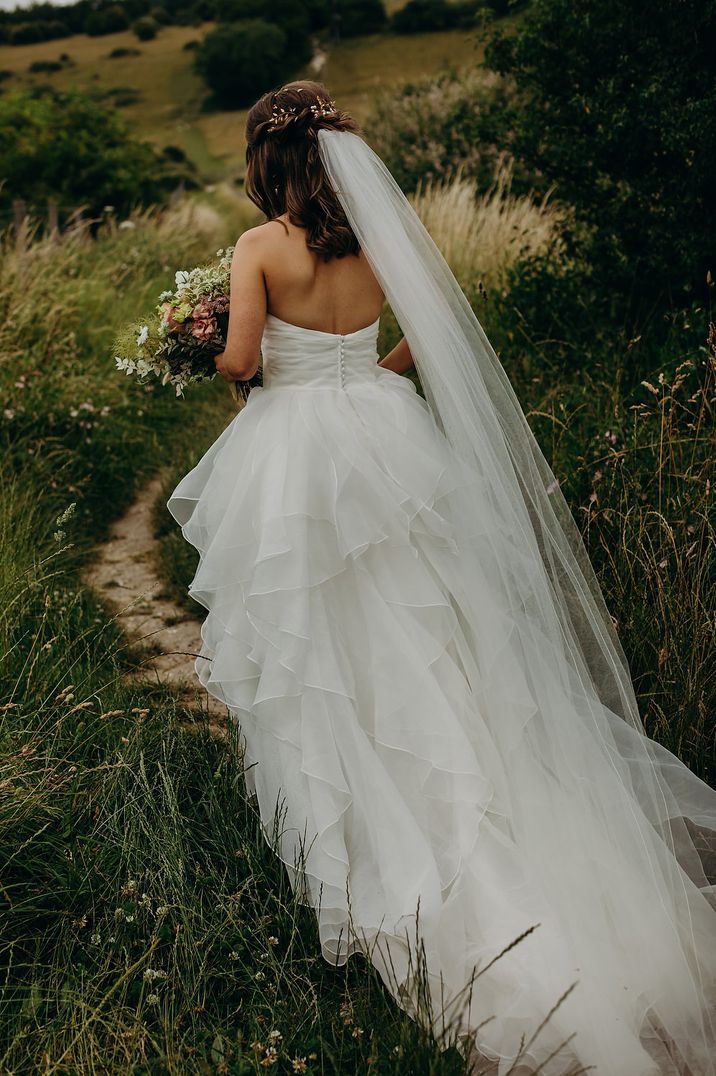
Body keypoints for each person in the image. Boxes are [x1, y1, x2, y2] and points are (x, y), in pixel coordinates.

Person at [167, 81, 716, 1075]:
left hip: (295, 456)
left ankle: (382, 834)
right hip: (386, 441)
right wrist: (367, 372)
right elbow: (439, 333)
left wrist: (212, 345)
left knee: (329, 646)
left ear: (264, 163)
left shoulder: (257, 250)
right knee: (437, 638)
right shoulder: (383, 245)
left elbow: (245, 360)